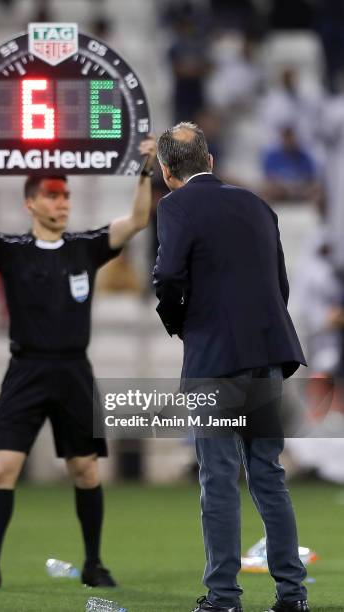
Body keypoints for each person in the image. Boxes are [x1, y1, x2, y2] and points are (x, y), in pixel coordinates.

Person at [0, 129, 157, 589]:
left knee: (84, 469)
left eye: (66, 195)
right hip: (26, 369)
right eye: (53, 195)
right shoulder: (12, 251)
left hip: (73, 372)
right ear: (31, 203)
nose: (63, 202)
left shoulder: (86, 246)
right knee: (2, 467)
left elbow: (138, 219)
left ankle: (94, 564)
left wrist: (144, 168)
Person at [153, 122, 309, 612]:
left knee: (217, 479)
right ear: (211, 160)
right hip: (264, 356)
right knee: (268, 474)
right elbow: (279, 285)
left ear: (165, 172)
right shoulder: (257, 205)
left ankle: (224, 596)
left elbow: (169, 275)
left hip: (215, 361)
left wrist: (179, 324)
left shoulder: (175, 206)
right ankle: (291, 595)